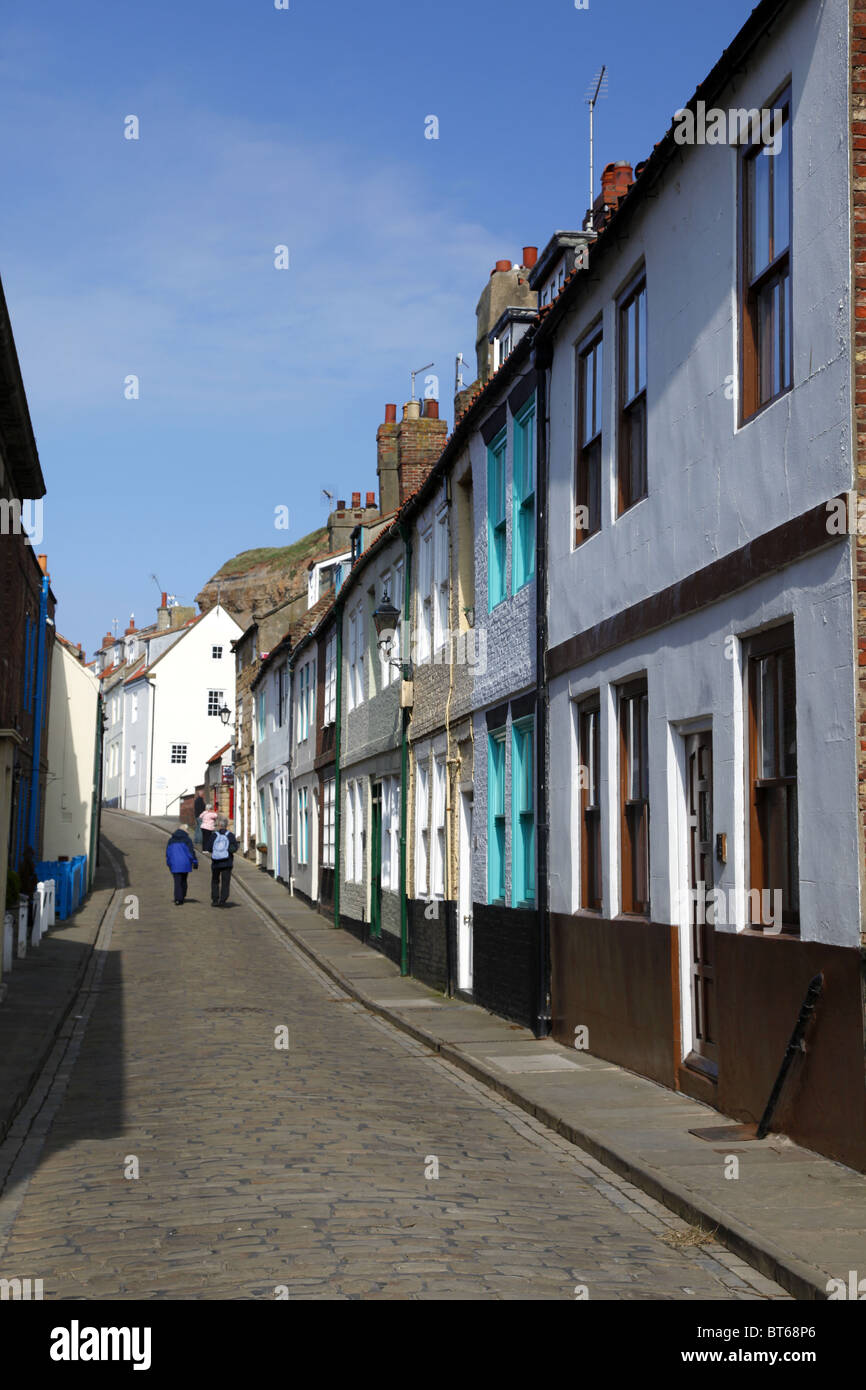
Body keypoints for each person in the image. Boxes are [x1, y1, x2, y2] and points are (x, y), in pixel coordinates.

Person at [165, 823, 198, 905]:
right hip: (185, 864)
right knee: (183, 880)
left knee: (177, 882)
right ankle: (182, 896)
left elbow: (168, 853)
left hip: (175, 864)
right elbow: (191, 853)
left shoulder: (171, 840)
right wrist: (195, 862)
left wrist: (169, 863)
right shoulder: (187, 840)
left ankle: (178, 899)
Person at [210, 815, 238, 907]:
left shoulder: (214, 835)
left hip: (216, 862)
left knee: (215, 881)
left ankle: (215, 899)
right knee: (225, 881)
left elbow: (209, 848)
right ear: (226, 825)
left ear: (219, 825)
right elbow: (234, 849)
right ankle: (223, 900)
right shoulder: (230, 836)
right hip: (227, 862)